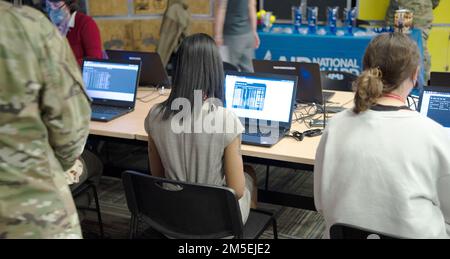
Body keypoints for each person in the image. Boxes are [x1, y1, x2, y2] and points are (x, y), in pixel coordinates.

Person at [314, 32, 450, 239]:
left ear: (365, 69)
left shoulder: (336, 125)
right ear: (415, 75)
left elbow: (321, 203)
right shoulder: (436, 135)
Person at [0, 1, 91, 238]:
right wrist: (57, 167)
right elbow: (71, 129)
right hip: (29, 213)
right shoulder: (24, 25)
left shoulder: (82, 23)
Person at [145, 33, 257, 224]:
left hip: (170, 220)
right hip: (215, 224)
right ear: (214, 68)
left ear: (178, 67)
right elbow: (236, 191)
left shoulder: (155, 115)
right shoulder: (225, 119)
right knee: (249, 176)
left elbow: (158, 176)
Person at [386, 0, 440, 83]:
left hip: (412, 8)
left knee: (411, 46)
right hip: (413, 8)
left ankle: (419, 86)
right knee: (400, 46)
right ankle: (417, 85)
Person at [46, 0, 103, 66]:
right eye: (48, 7)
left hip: (79, 74)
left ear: (68, 4)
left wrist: (65, 66)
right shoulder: (48, 26)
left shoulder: (85, 23)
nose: (52, 10)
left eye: (56, 5)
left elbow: (95, 59)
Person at [214, 0, 260, 72]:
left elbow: (221, 8)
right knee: (249, 71)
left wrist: (218, 35)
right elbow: (252, 6)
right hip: (248, 34)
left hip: (231, 37)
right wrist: (254, 32)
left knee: (227, 71)